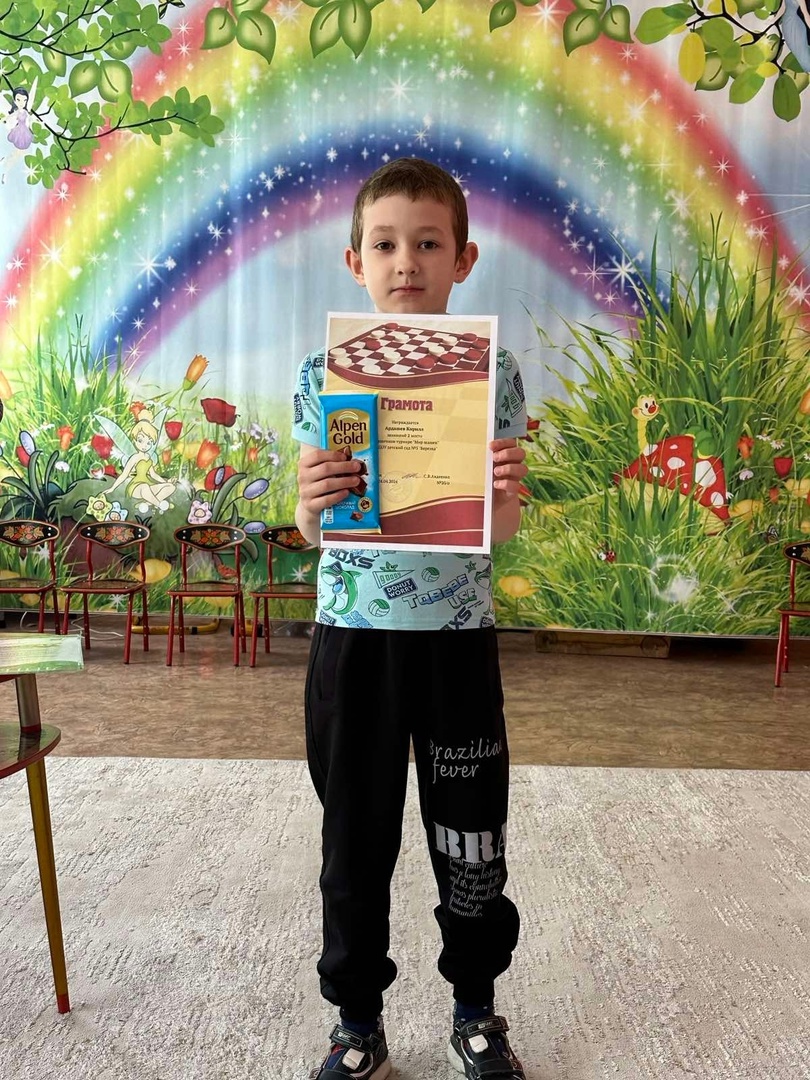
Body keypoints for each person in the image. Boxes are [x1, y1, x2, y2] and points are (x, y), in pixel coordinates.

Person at [292, 157, 529, 1080]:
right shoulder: (325, 372)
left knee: (470, 835)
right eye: (386, 244)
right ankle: (358, 1023)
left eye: (429, 243)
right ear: (356, 261)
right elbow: (315, 528)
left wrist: (504, 492)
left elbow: (498, 528)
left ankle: (476, 1010)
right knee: (355, 837)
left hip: (457, 644)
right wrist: (311, 501)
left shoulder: (493, 371)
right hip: (354, 642)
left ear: (462, 260)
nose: (407, 262)